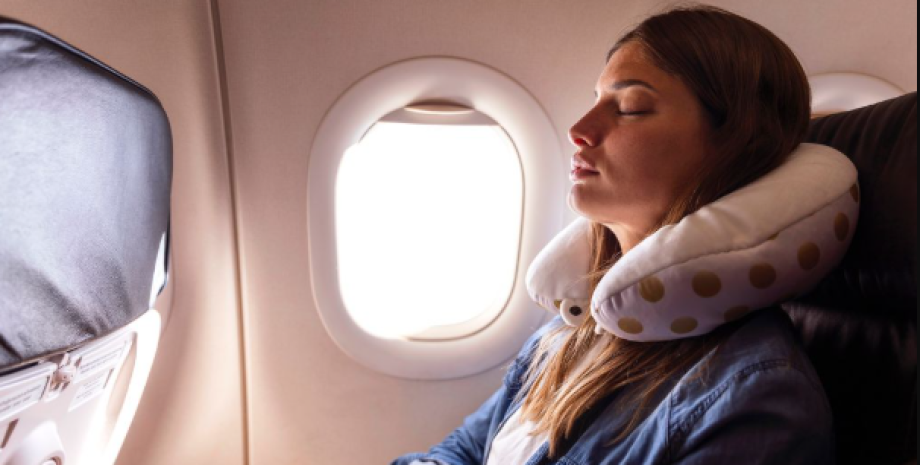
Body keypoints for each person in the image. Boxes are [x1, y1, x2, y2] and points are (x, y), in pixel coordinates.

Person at [393, 5, 844, 464]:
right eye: (595, 100)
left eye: (630, 108)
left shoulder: (755, 398)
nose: (579, 130)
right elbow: (466, 450)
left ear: (735, 147)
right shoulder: (575, 326)